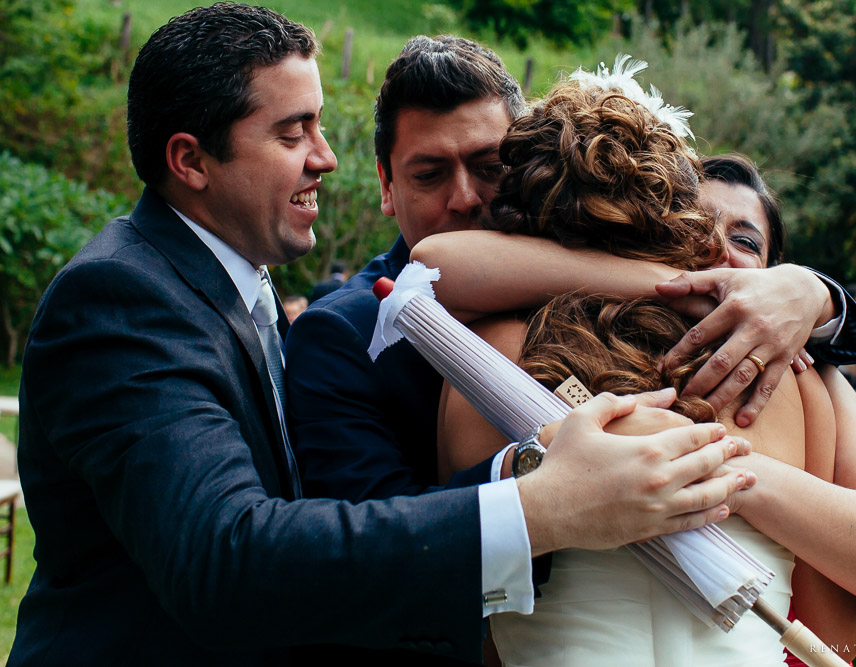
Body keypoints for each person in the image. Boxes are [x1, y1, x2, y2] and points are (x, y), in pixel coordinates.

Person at [9, 8, 755, 666]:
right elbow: (223, 557)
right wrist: (540, 503)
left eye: (321, 126)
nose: (323, 157)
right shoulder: (121, 298)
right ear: (191, 161)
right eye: (291, 132)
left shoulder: (234, 279)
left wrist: (810, 295)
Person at [427, 74, 856, 665]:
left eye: (746, 241)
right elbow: (835, 618)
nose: (719, 254)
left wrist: (713, 468)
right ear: (673, 224)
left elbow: (480, 615)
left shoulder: (481, 367)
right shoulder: (793, 382)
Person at [285, 37, 856, 507]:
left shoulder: (649, 315)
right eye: (429, 174)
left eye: (487, 166)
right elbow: (371, 537)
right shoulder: (342, 335)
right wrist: (540, 481)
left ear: (526, 163)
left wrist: (813, 293)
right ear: (387, 188)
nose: (464, 198)